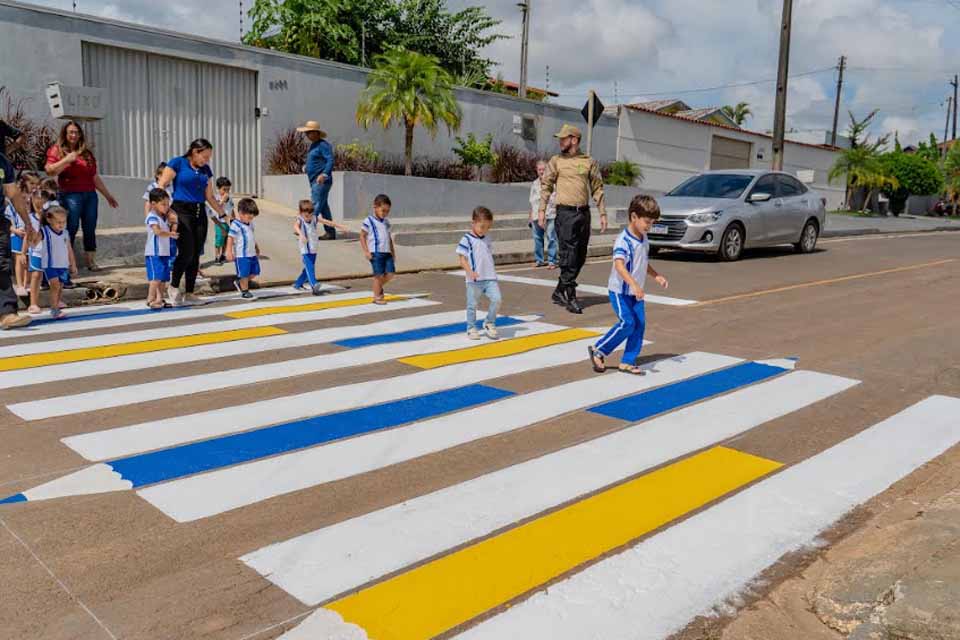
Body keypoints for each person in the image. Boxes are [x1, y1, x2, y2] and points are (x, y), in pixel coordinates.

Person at [588, 195, 669, 375]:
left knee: (639, 325)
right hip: (620, 291)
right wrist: (633, 284)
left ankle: (627, 361)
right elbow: (619, 265)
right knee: (627, 323)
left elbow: (642, 262)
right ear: (634, 217)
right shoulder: (623, 240)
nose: (649, 226)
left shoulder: (644, 238)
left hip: (635, 293)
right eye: (647, 222)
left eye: (652, 222)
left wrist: (656, 276)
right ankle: (598, 350)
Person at [539, 124, 608, 314]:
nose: (560, 141)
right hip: (565, 214)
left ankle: (559, 290)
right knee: (568, 255)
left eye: (564, 138)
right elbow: (546, 186)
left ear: (574, 140)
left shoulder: (588, 162)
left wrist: (602, 213)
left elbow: (597, 187)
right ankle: (570, 295)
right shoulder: (556, 161)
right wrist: (541, 211)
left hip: (583, 213)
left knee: (580, 256)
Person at [44, 120, 119, 279]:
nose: (74, 135)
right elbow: (49, 170)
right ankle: (67, 263)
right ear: (65, 134)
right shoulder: (57, 150)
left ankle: (90, 261)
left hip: (90, 195)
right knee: (70, 227)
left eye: (76, 132)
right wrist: (66, 160)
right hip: (70, 194)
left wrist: (107, 195)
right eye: (71, 132)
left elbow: (94, 176)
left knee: (90, 227)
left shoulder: (86, 153)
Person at [158, 139, 226, 305]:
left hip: (199, 212)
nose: (207, 160)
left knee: (196, 254)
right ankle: (173, 287)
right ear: (195, 151)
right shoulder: (178, 163)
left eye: (209, 157)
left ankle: (189, 293)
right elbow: (161, 186)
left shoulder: (205, 170)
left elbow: (209, 196)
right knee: (186, 251)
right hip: (181, 211)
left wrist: (223, 214)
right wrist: (164, 211)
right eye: (204, 156)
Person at [0, 149, 34, 329]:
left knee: (2, 266)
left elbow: (12, 193)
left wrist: (27, 222)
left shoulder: (2, 162)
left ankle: (7, 313)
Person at [457, 206, 502, 340]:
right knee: (472, 305)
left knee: (497, 299)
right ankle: (471, 327)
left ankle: (489, 322)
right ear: (473, 223)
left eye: (488, 227)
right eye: (482, 227)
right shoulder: (467, 239)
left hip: (490, 277)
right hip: (474, 279)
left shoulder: (487, 238)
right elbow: (462, 258)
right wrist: (470, 272)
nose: (485, 230)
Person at [293, 198, 350, 295]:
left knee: (308, 267)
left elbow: (328, 222)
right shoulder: (300, 220)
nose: (309, 216)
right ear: (301, 212)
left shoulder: (314, 218)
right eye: (306, 214)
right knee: (310, 266)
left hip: (314, 247)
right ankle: (314, 285)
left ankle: (298, 283)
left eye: (311, 213)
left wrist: (341, 226)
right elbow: (295, 226)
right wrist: (301, 234)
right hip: (305, 248)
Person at [37, 205, 77, 320]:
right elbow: (33, 242)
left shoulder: (65, 233)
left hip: (63, 264)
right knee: (54, 285)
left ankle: (57, 304)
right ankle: (54, 310)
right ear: (49, 220)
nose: (61, 224)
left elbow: (69, 249)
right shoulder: (44, 231)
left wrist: (72, 264)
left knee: (60, 287)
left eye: (63, 222)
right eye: (58, 222)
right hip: (50, 264)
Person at [299, 121, 337, 240]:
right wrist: (307, 166)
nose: (307, 135)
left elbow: (330, 160)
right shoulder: (313, 145)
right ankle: (330, 232)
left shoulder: (323, 145)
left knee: (314, 205)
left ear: (316, 133)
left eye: (309, 132)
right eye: (306, 133)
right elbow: (315, 160)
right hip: (315, 181)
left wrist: (324, 174)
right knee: (324, 208)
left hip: (321, 182)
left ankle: (306, 229)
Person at [6, 171, 39, 296]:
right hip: (18, 234)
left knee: (29, 259)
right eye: (31, 183)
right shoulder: (13, 201)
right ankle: (20, 285)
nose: (34, 186)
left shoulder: (34, 200)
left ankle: (27, 283)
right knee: (20, 259)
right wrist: (15, 230)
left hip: (30, 234)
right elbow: (8, 220)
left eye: (36, 184)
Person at [144, 189, 177, 310]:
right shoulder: (152, 217)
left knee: (163, 277)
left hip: (164, 251)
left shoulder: (164, 218)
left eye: (167, 204)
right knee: (155, 277)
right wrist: (170, 234)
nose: (166, 207)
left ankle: (160, 299)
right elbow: (157, 231)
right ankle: (150, 299)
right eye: (163, 204)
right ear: (153, 204)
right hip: (154, 252)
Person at [360, 194, 395, 305]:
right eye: (383, 210)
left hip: (387, 252)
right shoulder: (368, 221)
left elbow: (389, 238)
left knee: (390, 274)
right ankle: (377, 296)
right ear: (375, 207)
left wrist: (393, 252)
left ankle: (377, 287)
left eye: (387, 211)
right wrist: (366, 251)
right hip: (375, 253)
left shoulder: (386, 222)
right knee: (378, 275)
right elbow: (362, 236)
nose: (385, 213)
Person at [226, 197, 260, 300]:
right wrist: (228, 251)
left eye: (252, 214)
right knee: (244, 274)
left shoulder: (250, 224)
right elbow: (230, 238)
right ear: (240, 212)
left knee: (255, 272)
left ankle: (239, 282)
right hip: (242, 255)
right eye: (248, 214)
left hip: (252, 254)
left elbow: (252, 236)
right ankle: (245, 291)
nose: (251, 216)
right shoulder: (236, 225)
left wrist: (256, 247)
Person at [529, 160, 558, 269]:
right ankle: (539, 260)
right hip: (536, 215)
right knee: (537, 238)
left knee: (551, 238)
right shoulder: (534, 184)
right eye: (539, 169)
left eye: (543, 169)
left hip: (550, 214)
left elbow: (555, 199)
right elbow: (532, 202)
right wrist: (531, 216)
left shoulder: (553, 183)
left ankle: (552, 261)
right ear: (536, 171)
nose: (541, 171)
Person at [209, 176, 233, 265]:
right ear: (218, 188)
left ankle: (223, 254)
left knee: (226, 239)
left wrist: (233, 220)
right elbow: (215, 209)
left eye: (228, 190)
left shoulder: (229, 198)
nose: (226, 192)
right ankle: (217, 256)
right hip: (220, 223)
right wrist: (222, 200)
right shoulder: (216, 198)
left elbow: (231, 208)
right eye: (224, 189)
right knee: (219, 240)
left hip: (228, 223)